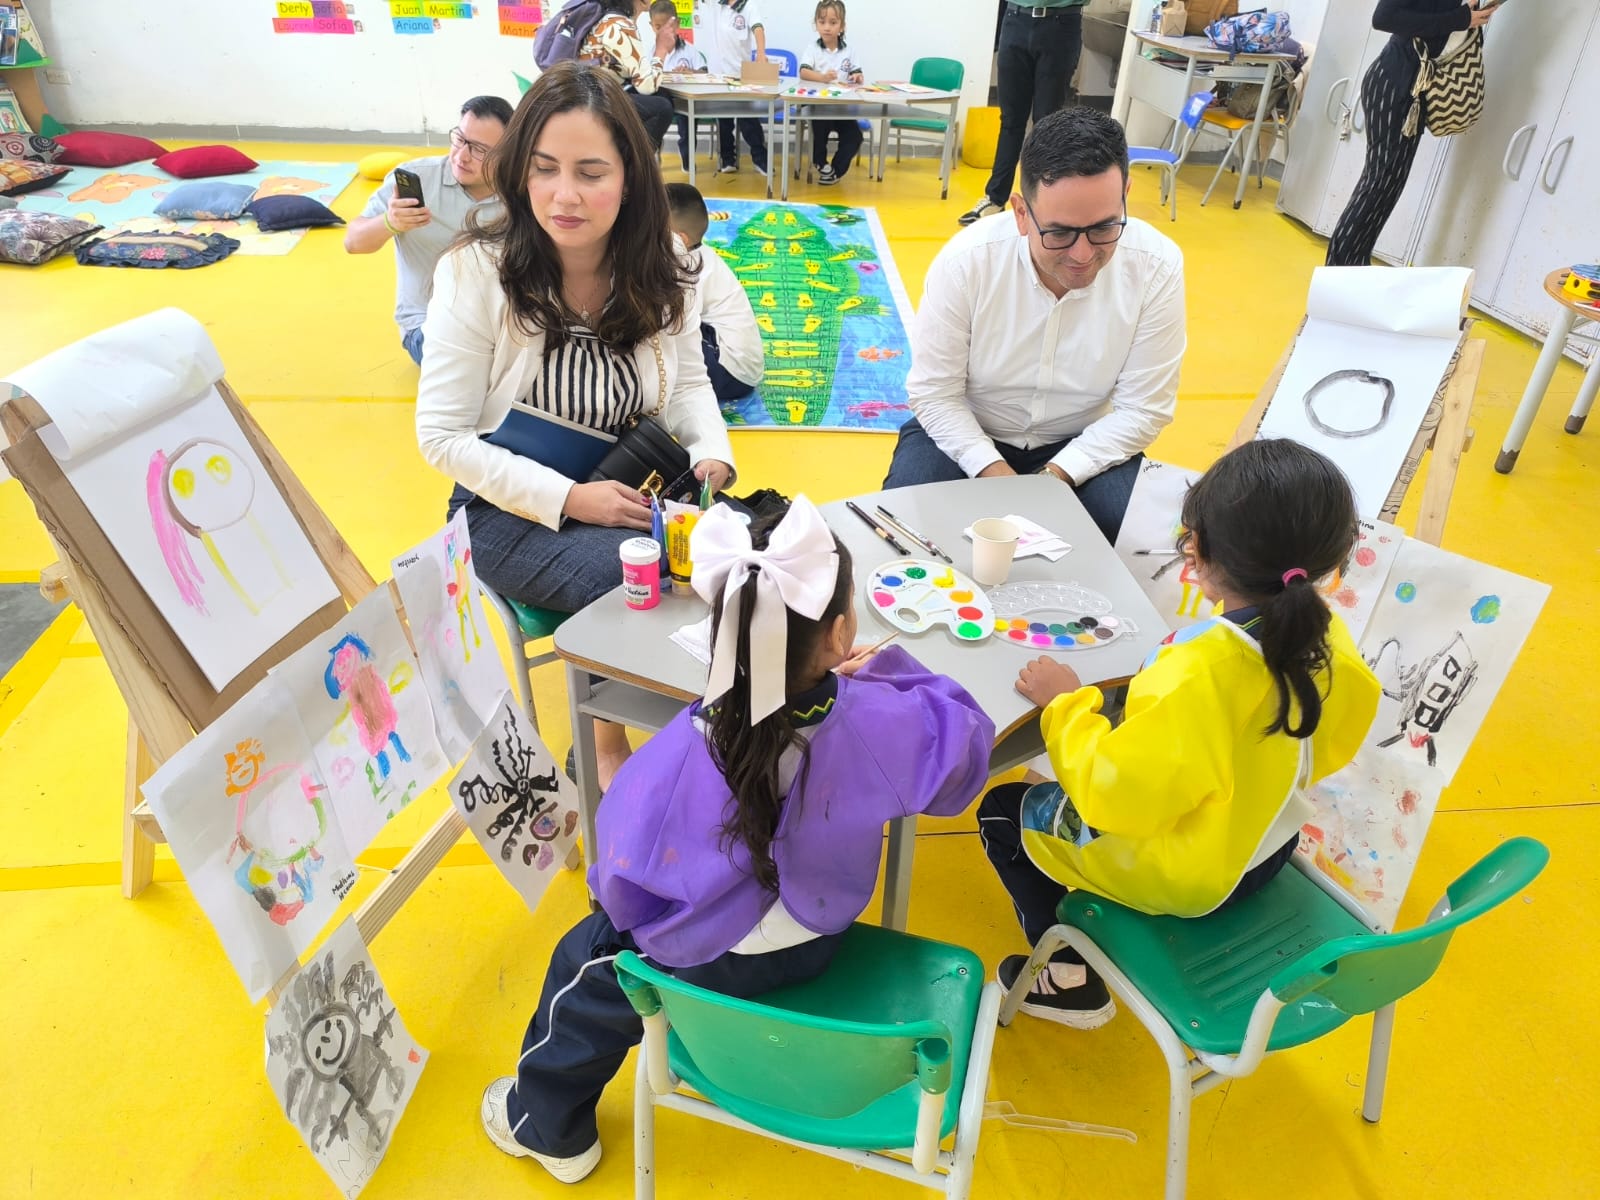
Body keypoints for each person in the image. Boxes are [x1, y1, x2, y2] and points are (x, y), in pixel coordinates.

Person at [478, 497, 996, 1183]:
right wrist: (889, 673)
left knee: (591, 957)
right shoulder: (879, 724)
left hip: (702, 971)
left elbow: (620, 891)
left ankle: (546, 1125)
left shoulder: (677, 756)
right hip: (818, 945)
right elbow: (967, 747)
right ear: (842, 637)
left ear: (722, 629)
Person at [979, 439, 1382, 1027]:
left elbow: (1110, 797)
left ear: (1198, 551)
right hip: (1266, 847)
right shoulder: (1328, 639)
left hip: (1189, 877)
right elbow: (1321, 744)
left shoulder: (1202, 670)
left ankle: (1069, 976)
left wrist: (1066, 704)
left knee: (1007, 810)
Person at [415, 63, 734, 789]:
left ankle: (695, 736)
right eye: (545, 169)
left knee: (741, 561)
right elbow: (442, 437)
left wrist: (713, 452)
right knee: (656, 585)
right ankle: (608, 738)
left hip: (631, 482)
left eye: (592, 172)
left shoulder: (667, 265)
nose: (565, 195)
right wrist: (568, 499)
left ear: (630, 177)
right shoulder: (478, 273)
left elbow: (686, 381)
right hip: (507, 512)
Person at [884, 106, 1185, 544]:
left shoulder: (1156, 266)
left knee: (1146, 546)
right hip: (967, 427)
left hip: (1083, 442)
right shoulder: (966, 262)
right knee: (903, 532)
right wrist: (995, 472)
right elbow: (935, 394)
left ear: (1125, 195)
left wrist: (1058, 474)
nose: (1083, 255)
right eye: (1059, 233)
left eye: (1104, 228)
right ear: (1021, 213)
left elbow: (1145, 408)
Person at [1325, 0, 1496, 266]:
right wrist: (1459, 18)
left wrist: (1467, 15)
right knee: (1378, 184)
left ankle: (1352, 269)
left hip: (1413, 90)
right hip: (1394, 84)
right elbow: (1384, 17)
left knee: (1387, 186)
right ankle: (1338, 273)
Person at [344, 96, 512, 365]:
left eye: (479, 149)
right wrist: (390, 221)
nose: (462, 155)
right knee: (477, 364)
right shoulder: (418, 179)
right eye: (459, 139)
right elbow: (353, 242)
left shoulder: (521, 192)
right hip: (429, 325)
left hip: (499, 321)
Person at [959, 0, 1085, 226]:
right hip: (1016, 18)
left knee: (1047, 123)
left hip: (1061, 24)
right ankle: (995, 198)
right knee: (1010, 120)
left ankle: (1041, 201)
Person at [667, 182, 765, 400]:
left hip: (731, 372)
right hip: (733, 361)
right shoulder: (697, 254)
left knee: (661, 337)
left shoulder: (688, 268)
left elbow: (674, 324)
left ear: (681, 240)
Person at [577, 0, 677, 151]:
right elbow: (646, 86)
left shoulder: (612, 19)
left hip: (598, 92)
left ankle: (629, 155)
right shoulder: (620, 25)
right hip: (595, 98)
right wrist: (661, 49)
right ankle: (633, 166)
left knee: (663, 96)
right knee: (661, 108)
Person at [694, 0, 769, 175]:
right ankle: (728, 159)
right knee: (724, 120)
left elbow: (758, 28)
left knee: (748, 120)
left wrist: (761, 53)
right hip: (718, 77)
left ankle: (760, 158)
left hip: (740, 76)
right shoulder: (714, 5)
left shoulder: (749, 7)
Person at [798, 0, 864, 186]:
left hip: (841, 108)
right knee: (821, 125)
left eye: (833, 23)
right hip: (818, 106)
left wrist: (857, 76)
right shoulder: (813, 48)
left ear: (842, 26)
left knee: (855, 136)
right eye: (822, 22)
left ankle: (835, 171)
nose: (827, 27)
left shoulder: (849, 51)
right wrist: (822, 77)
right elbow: (803, 72)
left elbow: (856, 73)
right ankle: (820, 161)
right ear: (816, 24)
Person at [649, 0, 709, 170]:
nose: (662, 31)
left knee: (687, 121)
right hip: (662, 100)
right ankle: (652, 156)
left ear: (677, 24)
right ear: (651, 26)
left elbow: (704, 73)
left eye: (667, 26)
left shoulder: (689, 50)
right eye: (657, 26)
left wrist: (691, 72)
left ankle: (688, 160)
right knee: (654, 116)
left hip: (684, 100)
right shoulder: (651, 51)